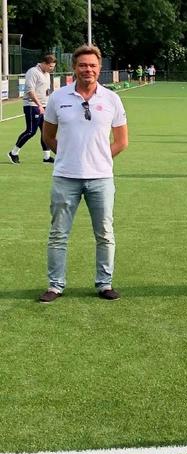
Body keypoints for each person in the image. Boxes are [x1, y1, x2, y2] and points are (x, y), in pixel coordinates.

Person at [38, 45, 129, 303]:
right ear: (74, 68)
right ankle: (55, 285)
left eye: (92, 65)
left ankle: (104, 283)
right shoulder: (58, 98)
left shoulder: (111, 99)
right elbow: (48, 135)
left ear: (99, 68)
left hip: (101, 178)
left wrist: (98, 159)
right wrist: (69, 156)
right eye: (82, 65)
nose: (87, 69)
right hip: (65, 177)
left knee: (105, 233)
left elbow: (121, 141)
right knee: (58, 234)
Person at [8, 54, 57, 164]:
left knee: (45, 131)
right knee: (31, 131)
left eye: (53, 66)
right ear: (44, 63)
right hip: (32, 106)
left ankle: (47, 157)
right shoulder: (33, 72)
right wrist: (39, 105)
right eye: (50, 66)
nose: (52, 69)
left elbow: (46, 90)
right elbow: (30, 91)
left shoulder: (47, 74)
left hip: (45, 106)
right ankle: (13, 153)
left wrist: (49, 103)